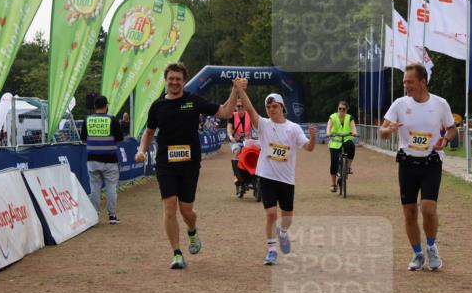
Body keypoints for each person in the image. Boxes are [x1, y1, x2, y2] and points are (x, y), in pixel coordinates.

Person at [135, 62, 236, 269]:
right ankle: (177, 253)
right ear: (166, 80)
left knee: (186, 210)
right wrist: (142, 150)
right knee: (169, 207)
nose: (174, 82)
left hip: (190, 164)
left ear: (183, 81)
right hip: (165, 164)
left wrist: (236, 90)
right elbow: (149, 132)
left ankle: (192, 230)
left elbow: (225, 112)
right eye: (171, 78)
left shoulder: (193, 101)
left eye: (178, 79)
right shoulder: (157, 106)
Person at [379, 63, 456, 271]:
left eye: (410, 82)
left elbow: (451, 129)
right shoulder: (399, 104)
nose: (406, 86)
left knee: (428, 209)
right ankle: (417, 254)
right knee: (410, 212)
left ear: (423, 82)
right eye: (404, 82)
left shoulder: (440, 104)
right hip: (407, 163)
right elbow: (382, 131)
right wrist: (389, 129)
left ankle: (431, 247)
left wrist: (445, 140)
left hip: (431, 161)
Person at [236, 82, 316, 265]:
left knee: (287, 218)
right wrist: (240, 90)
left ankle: (282, 232)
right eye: (268, 107)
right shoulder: (263, 125)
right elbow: (249, 108)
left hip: (287, 179)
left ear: (282, 107)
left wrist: (312, 137)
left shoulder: (293, 128)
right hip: (267, 176)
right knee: (271, 214)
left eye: (275, 106)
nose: (272, 109)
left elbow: (309, 148)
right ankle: (271, 249)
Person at [80, 95, 123, 225]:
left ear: (94, 106)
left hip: (92, 159)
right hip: (110, 160)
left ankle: (94, 215)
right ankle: (112, 216)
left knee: (95, 188)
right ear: (106, 106)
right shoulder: (112, 119)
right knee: (111, 188)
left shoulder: (87, 120)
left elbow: (83, 139)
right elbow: (120, 138)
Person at [327, 101, 358, 192]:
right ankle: (333, 184)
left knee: (352, 146)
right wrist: (328, 133)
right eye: (339, 108)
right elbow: (329, 125)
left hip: (346, 140)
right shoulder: (333, 117)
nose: (341, 110)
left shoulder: (349, 118)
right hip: (335, 142)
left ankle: (348, 166)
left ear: (347, 110)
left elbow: (353, 127)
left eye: (343, 109)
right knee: (333, 162)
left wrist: (354, 132)